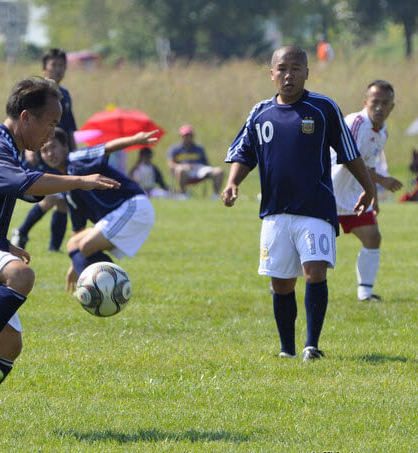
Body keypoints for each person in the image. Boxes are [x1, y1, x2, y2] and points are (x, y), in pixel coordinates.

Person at [0, 77, 120, 433]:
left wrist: (1, 242)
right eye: (50, 122)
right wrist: (79, 181)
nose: (52, 132)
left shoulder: (6, 147)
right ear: (26, 117)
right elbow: (25, 184)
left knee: (10, 344)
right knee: (21, 276)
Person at [222, 45, 374, 362]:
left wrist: (368, 187)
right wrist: (233, 182)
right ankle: (286, 349)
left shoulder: (323, 108)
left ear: (307, 72)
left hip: (315, 208)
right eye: (282, 68)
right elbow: (244, 152)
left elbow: (348, 152)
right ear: (272, 73)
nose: (288, 75)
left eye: (296, 68)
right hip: (275, 213)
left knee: (314, 271)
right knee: (281, 282)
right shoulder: (260, 112)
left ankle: (311, 346)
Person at [35, 127, 158, 290]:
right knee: (73, 244)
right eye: (44, 151)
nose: (50, 153)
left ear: (66, 146)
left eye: (53, 147)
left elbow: (106, 148)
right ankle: (102, 292)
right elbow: (78, 228)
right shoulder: (67, 183)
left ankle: (112, 290)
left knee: (86, 246)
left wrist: (135, 140)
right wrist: (74, 265)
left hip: (133, 206)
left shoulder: (76, 158)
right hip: (116, 214)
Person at [331, 80, 402, 302]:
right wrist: (383, 180)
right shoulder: (355, 122)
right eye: (375, 102)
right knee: (312, 247)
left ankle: (365, 294)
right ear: (365, 102)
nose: (380, 107)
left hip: (353, 197)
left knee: (372, 237)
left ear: (392, 106)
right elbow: (350, 159)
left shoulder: (382, 132)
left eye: (385, 103)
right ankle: (281, 283)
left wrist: (375, 201)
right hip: (329, 193)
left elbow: (368, 164)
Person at [10, 48, 77, 252]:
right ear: (44, 68)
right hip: (42, 148)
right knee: (53, 195)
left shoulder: (64, 95)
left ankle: (53, 248)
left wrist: (73, 151)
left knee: (61, 199)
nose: (58, 69)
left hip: (59, 151)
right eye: (54, 65)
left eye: (61, 65)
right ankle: (21, 231)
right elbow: (23, 118)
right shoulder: (37, 93)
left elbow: (70, 125)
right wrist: (29, 150)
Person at [166, 124, 224, 199]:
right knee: (181, 170)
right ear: (181, 136)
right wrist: (182, 166)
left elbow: (206, 163)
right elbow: (170, 164)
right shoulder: (174, 149)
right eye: (185, 135)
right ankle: (184, 195)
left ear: (192, 136)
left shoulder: (199, 148)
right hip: (184, 170)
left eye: (189, 135)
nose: (187, 138)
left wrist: (211, 168)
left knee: (219, 171)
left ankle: (215, 196)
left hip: (199, 169)